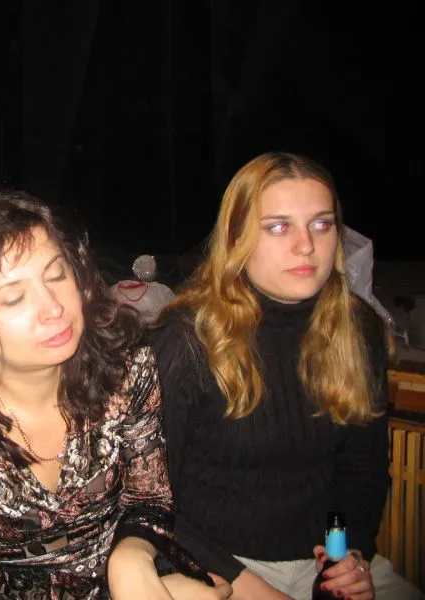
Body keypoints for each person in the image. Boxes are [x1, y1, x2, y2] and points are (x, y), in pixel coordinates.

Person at [0, 190, 233, 599]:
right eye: (14, 297)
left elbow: (149, 499)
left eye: (57, 274)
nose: (54, 307)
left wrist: (131, 562)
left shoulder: (126, 370)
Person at [150, 152, 423, 600]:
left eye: (322, 224)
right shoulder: (186, 339)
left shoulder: (358, 329)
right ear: (237, 238)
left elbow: (363, 469)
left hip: (325, 560)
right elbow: (153, 501)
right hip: (216, 566)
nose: (306, 246)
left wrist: (347, 556)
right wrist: (250, 587)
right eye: (278, 227)